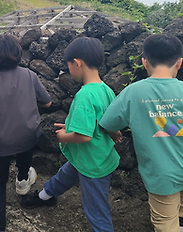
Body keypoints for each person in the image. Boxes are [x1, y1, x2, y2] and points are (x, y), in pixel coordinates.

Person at [100, 34, 183, 232]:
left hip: (161, 173)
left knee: (164, 222)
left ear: (144, 62)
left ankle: (177, 223)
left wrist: (114, 130)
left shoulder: (133, 92)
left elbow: (108, 121)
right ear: (179, 62)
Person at [20, 37, 120, 232]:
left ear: (77, 63)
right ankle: (45, 196)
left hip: (92, 163)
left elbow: (84, 136)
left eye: (68, 66)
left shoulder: (85, 95)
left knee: (97, 211)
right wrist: (70, 125)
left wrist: (63, 136)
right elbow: (106, 119)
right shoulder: (105, 89)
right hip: (93, 155)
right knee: (65, 174)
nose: (68, 70)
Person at [0, 34, 52, 232]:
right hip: (28, 133)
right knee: (25, 154)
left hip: (0, 140)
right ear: (17, 53)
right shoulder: (29, 75)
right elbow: (48, 102)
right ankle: (22, 180)